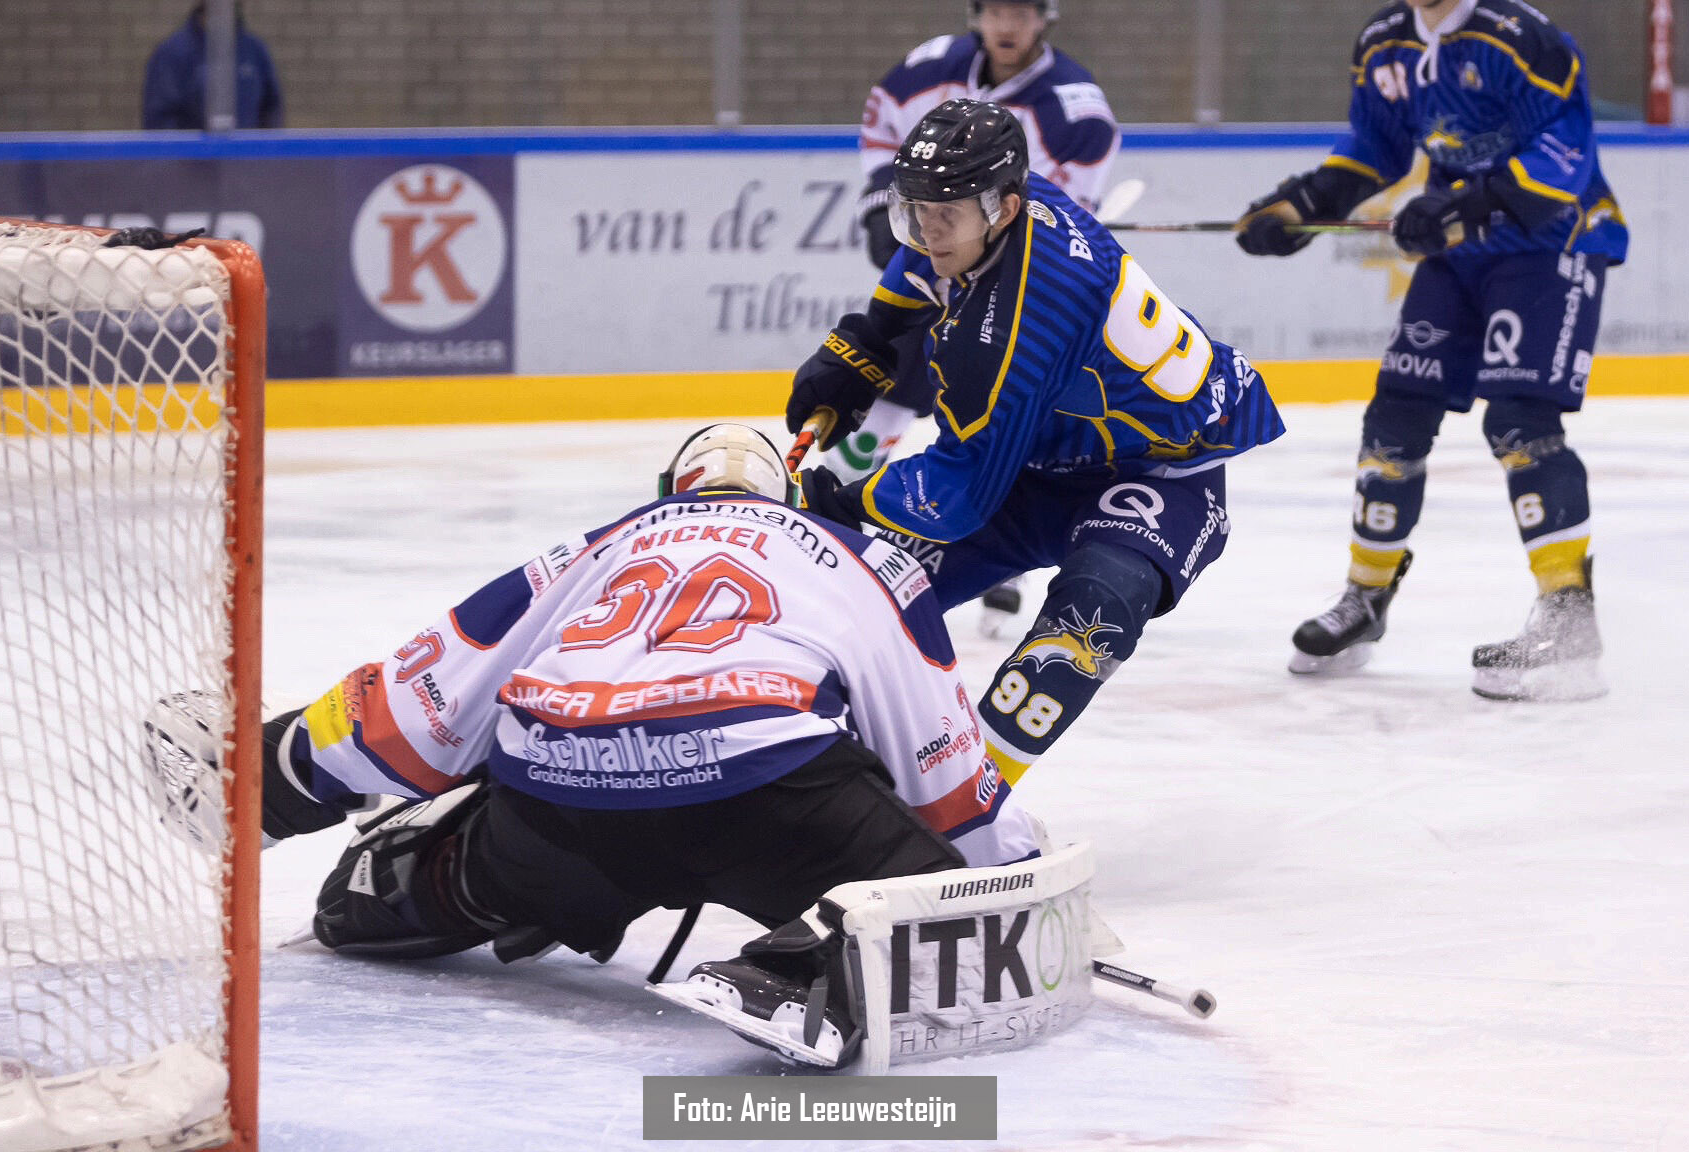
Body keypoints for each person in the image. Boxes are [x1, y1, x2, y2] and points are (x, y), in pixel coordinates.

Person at [147, 424, 1043, 1064]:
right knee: (931, 917)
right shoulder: (855, 554)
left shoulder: (597, 545)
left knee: (514, 842)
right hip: (765, 802)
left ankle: (426, 877)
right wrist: (1010, 881)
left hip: (563, 797)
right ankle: (804, 968)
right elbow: (942, 769)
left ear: (667, 492)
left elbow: (428, 699)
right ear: (789, 500)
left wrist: (276, 773)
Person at [785, 99, 1283, 786]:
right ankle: (791, 752)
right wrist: (865, 343)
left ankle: (970, 797)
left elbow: (963, 488)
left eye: (945, 215)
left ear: (1004, 209)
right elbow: (926, 263)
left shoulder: (1024, 323)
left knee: (1098, 605)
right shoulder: (997, 206)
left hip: (1159, 470)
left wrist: (854, 502)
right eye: (916, 209)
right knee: (871, 586)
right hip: (1041, 454)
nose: (927, 231)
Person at [1235, 0, 1627, 701]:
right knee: (1395, 416)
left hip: (1552, 242)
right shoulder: (1383, 42)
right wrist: (1300, 205)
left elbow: (1563, 159)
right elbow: (1376, 146)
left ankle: (1570, 622)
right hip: (1458, 253)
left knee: (1519, 421)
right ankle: (1366, 599)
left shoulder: (1522, 38)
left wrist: (1460, 206)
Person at [837, 0, 1122, 636]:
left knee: (1000, 397)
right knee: (897, 367)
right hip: (941, 247)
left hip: (1012, 282)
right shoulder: (930, 67)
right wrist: (887, 200)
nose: (1008, 24)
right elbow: (883, 125)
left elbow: (1058, 225)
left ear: (1045, 17)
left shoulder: (1077, 110)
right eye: (996, 8)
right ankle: (843, 491)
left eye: (1022, 10)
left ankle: (1001, 544)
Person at [141, 2, 284, 130]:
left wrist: (261, 152)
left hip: (245, 156)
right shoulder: (173, 53)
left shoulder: (254, 50)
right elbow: (160, 120)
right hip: (191, 157)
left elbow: (271, 109)